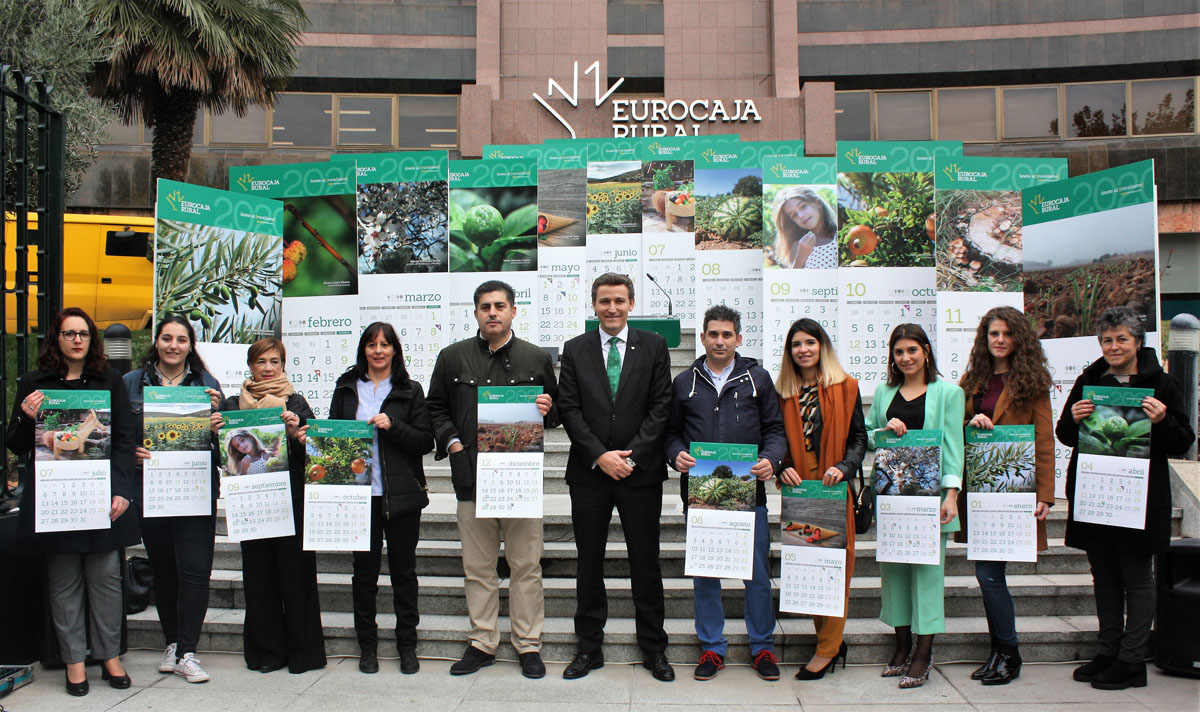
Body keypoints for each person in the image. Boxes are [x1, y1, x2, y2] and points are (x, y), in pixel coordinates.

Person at [427, 280, 558, 679]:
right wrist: (452, 445)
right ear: (476, 314)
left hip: (520, 482)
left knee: (525, 567)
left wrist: (548, 408)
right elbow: (436, 408)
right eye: (485, 307)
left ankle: (527, 645)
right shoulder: (453, 358)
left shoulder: (536, 358)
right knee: (479, 568)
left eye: (500, 306)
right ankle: (482, 642)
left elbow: (554, 416)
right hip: (471, 479)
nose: (492, 313)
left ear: (514, 311)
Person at [1057, 307, 1193, 691]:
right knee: (1104, 576)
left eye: (1121, 339)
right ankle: (1108, 650)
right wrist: (1075, 416)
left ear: (1138, 342)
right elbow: (1065, 433)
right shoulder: (1090, 378)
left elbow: (1183, 441)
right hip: (1097, 492)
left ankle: (1133, 660)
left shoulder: (1161, 383)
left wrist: (1162, 420)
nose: (1113, 346)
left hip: (1139, 498)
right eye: (1107, 340)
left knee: (1136, 576)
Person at [7, 308, 137, 696]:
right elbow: (15, 444)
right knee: (64, 583)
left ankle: (110, 656)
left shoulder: (109, 381)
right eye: (69, 333)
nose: (76, 339)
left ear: (91, 340)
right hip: (56, 502)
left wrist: (122, 490)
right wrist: (29, 419)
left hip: (99, 498)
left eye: (83, 333)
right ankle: (74, 662)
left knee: (106, 580)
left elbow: (125, 441)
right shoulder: (35, 383)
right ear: (57, 339)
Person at [558, 272, 675, 682]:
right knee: (589, 562)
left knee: (645, 562)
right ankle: (589, 648)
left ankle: (654, 649)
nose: (612, 308)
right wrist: (600, 456)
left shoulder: (655, 346)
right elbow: (569, 409)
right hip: (590, 474)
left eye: (619, 301)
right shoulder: (574, 349)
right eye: (604, 301)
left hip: (639, 475)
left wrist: (631, 457)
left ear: (631, 304)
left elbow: (662, 407)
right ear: (593, 305)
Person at [664, 305, 786, 681]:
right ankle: (712, 648)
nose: (719, 341)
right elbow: (670, 433)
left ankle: (762, 646)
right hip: (702, 493)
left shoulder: (759, 380)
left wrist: (771, 459)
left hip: (750, 495)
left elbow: (776, 431)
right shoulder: (685, 382)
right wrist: (676, 455)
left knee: (757, 576)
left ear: (738, 339)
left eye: (727, 334)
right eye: (713, 334)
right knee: (706, 574)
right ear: (702, 338)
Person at [954, 306, 1055, 685]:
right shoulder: (972, 379)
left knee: (990, 574)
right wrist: (970, 422)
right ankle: (1000, 650)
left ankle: (1008, 653)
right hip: (981, 488)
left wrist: (1045, 494)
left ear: (1019, 339)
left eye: (1007, 334)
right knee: (988, 573)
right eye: (993, 334)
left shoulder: (1032, 380)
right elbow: (954, 427)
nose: (999, 340)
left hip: (1014, 488)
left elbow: (1044, 439)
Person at [123, 315, 224, 682]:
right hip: (152, 490)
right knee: (164, 571)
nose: (173, 346)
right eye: (167, 338)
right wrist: (129, 450)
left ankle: (188, 650)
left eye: (181, 340)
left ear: (190, 345)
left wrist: (218, 423)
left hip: (195, 490)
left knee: (196, 571)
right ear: (157, 342)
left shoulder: (207, 385)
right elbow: (118, 434)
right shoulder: (132, 383)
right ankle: (172, 644)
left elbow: (226, 444)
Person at [330, 322, 434, 675]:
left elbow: (425, 441)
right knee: (364, 574)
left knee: (404, 573)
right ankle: (368, 647)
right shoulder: (346, 388)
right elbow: (333, 438)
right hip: (360, 497)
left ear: (395, 350)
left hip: (401, 496)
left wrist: (394, 426)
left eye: (385, 344)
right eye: (372, 344)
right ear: (363, 349)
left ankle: (407, 646)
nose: (378, 351)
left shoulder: (409, 390)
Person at [217, 338, 326, 675]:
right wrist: (215, 431)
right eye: (261, 361)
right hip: (251, 505)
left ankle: (302, 654)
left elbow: (316, 451)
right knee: (259, 578)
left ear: (283, 365)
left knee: (296, 577)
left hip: (290, 502)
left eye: (274, 361)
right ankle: (267, 652)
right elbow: (226, 455)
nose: (267, 368)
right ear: (250, 366)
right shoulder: (233, 404)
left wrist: (297, 434)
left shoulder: (295, 402)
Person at [864, 323, 963, 689]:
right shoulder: (884, 390)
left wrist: (952, 494)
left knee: (927, 576)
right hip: (893, 499)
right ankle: (901, 643)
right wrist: (883, 431)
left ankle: (923, 652)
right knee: (894, 575)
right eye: (898, 352)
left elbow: (954, 445)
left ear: (925, 351)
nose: (905, 358)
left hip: (930, 499)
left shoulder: (948, 392)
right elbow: (869, 434)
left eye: (911, 350)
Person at [774, 318, 866, 680]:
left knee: (835, 567)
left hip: (831, 485)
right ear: (790, 351)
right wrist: (781, 465)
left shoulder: (846, 387)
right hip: (801, 489)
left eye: (810, 342)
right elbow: (775, 438)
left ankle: (827, 648)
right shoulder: (784, 393)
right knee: (809, 566)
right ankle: (829, 639)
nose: (804, 349)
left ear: (822, 346)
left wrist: (845, 466)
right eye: (796, 344)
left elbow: (859, 438)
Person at [770, 187, 838, 269]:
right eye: (794, 215)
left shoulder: (840, 234)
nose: (801, 215)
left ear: (817, 203)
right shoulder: (798, 246)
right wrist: (801, 257)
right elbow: (792, 280)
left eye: (803, 206)